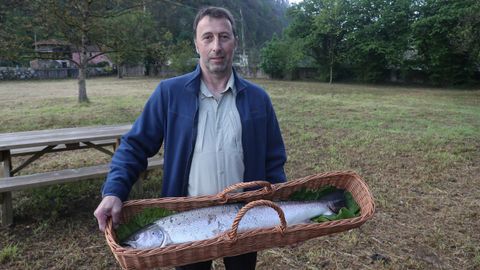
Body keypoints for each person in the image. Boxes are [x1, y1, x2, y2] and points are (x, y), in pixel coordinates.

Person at [94, 6, 287, 270]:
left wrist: (281, 211)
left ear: (235, 43)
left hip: (244, 217)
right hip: (186, 220)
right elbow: (134, 146)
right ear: (196, 44)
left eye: (224, 37)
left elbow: (273, 161)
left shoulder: (258, 99)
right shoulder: (170, 94)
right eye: (207, 37)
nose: (216, 46)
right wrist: (114, 191)